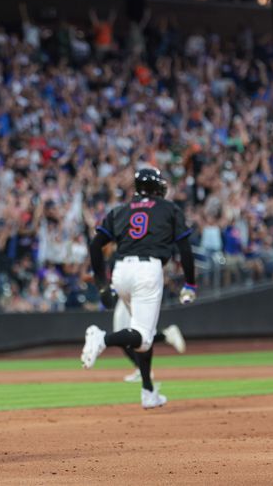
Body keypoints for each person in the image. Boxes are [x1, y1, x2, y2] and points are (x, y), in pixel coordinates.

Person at [82, 168, 197, 409]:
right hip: (147, 271)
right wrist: (190, 283)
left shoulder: (120, 210)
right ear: (158, 188)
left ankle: (148, 391)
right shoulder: (168, 208)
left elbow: (95, 246)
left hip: (121, 272)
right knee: (143, 338)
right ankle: (101, 338)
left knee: (143, 330)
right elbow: (184, 248)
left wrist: (103, 284)